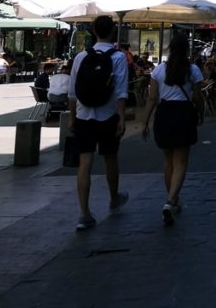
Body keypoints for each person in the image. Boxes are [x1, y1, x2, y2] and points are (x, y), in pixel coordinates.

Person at [69, 15, 130, 231]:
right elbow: (121, 91)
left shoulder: (81, 57)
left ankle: (84, 213)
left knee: (84, 163)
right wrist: (122, 117)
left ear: (94, 31)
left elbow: (72, 93)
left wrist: (72, 118)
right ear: (112, 30)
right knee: (110, 158)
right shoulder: (119, 57)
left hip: (84, 116)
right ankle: (114, 197)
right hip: (108, 115)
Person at [142, 32, 204, 226]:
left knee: (168, 160)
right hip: (184, 114)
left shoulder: (159, 70)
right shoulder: (193, 70)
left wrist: (145, 122)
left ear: (170, 48)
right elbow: (198, 96)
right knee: (181, 161)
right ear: (187, 49)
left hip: (164, 113)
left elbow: (152, 98)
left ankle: (172, 199)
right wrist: (201, 114)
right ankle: (170, 201)